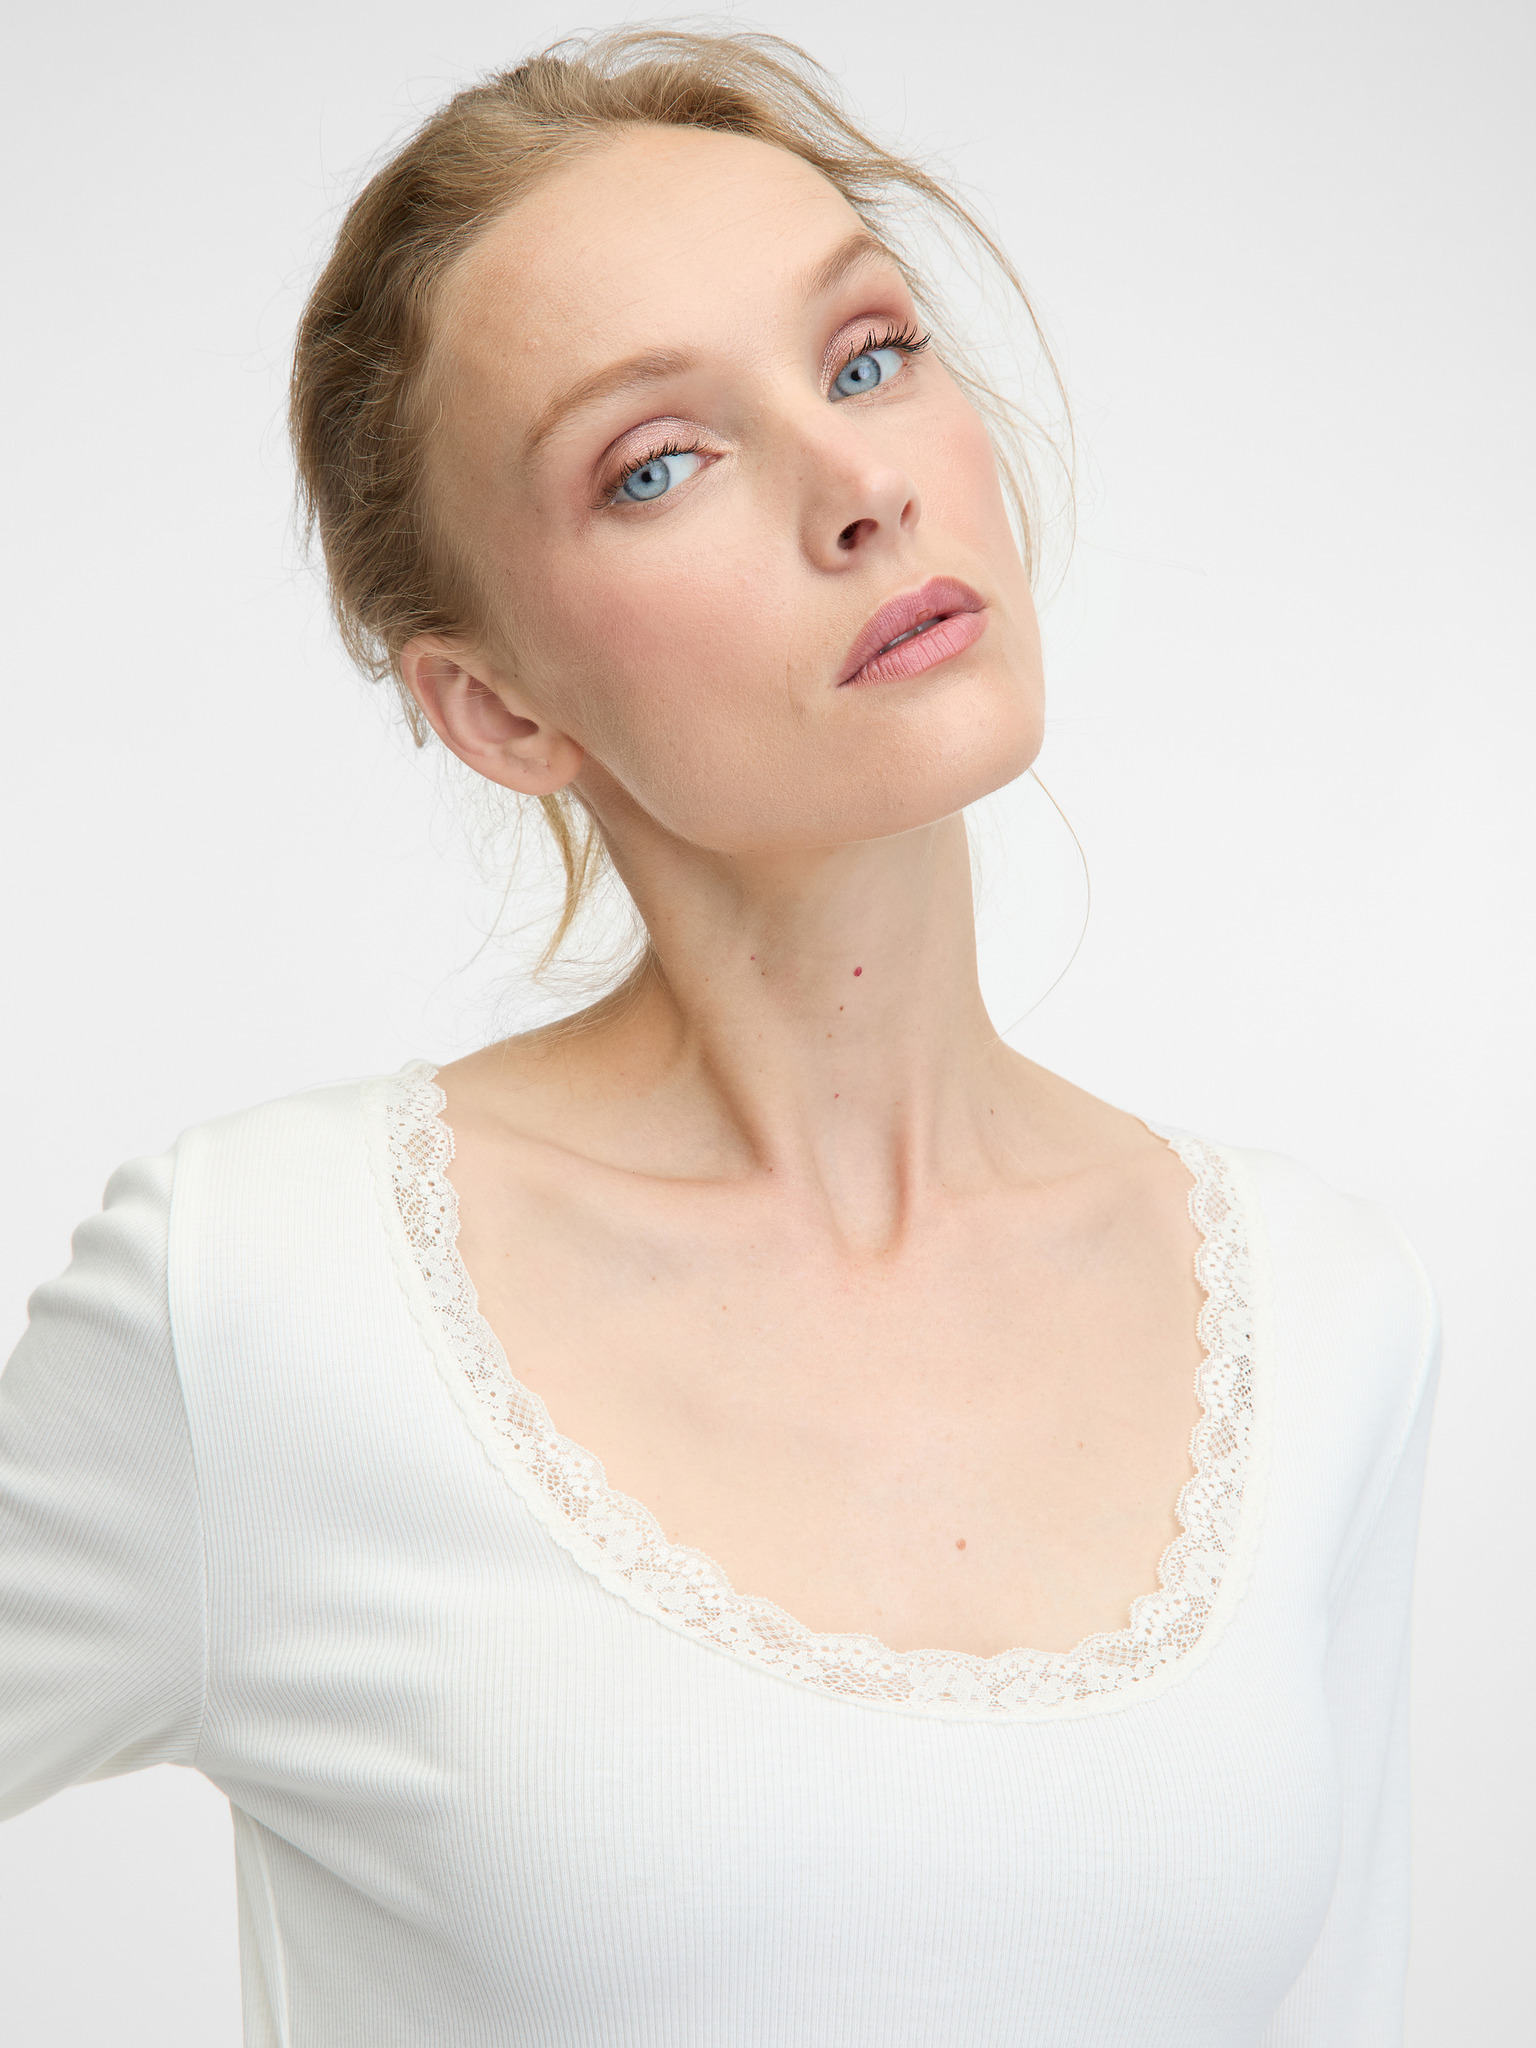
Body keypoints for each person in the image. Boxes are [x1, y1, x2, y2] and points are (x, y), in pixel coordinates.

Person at [0, 27, 1438, 2046]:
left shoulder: (1321, 1306)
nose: (863, 487)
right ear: (501, 709)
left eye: (867, 356)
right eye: (656, 465)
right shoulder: (257, 1292)